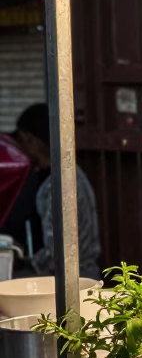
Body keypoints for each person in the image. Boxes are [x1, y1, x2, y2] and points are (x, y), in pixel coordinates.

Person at [14, 103, 102, 281]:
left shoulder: (60, 183)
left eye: (23, 141)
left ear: (33, 141)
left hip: (72, 281)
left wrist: (23, 262)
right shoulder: (61, 173)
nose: (21, 149)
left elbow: (58, 252)